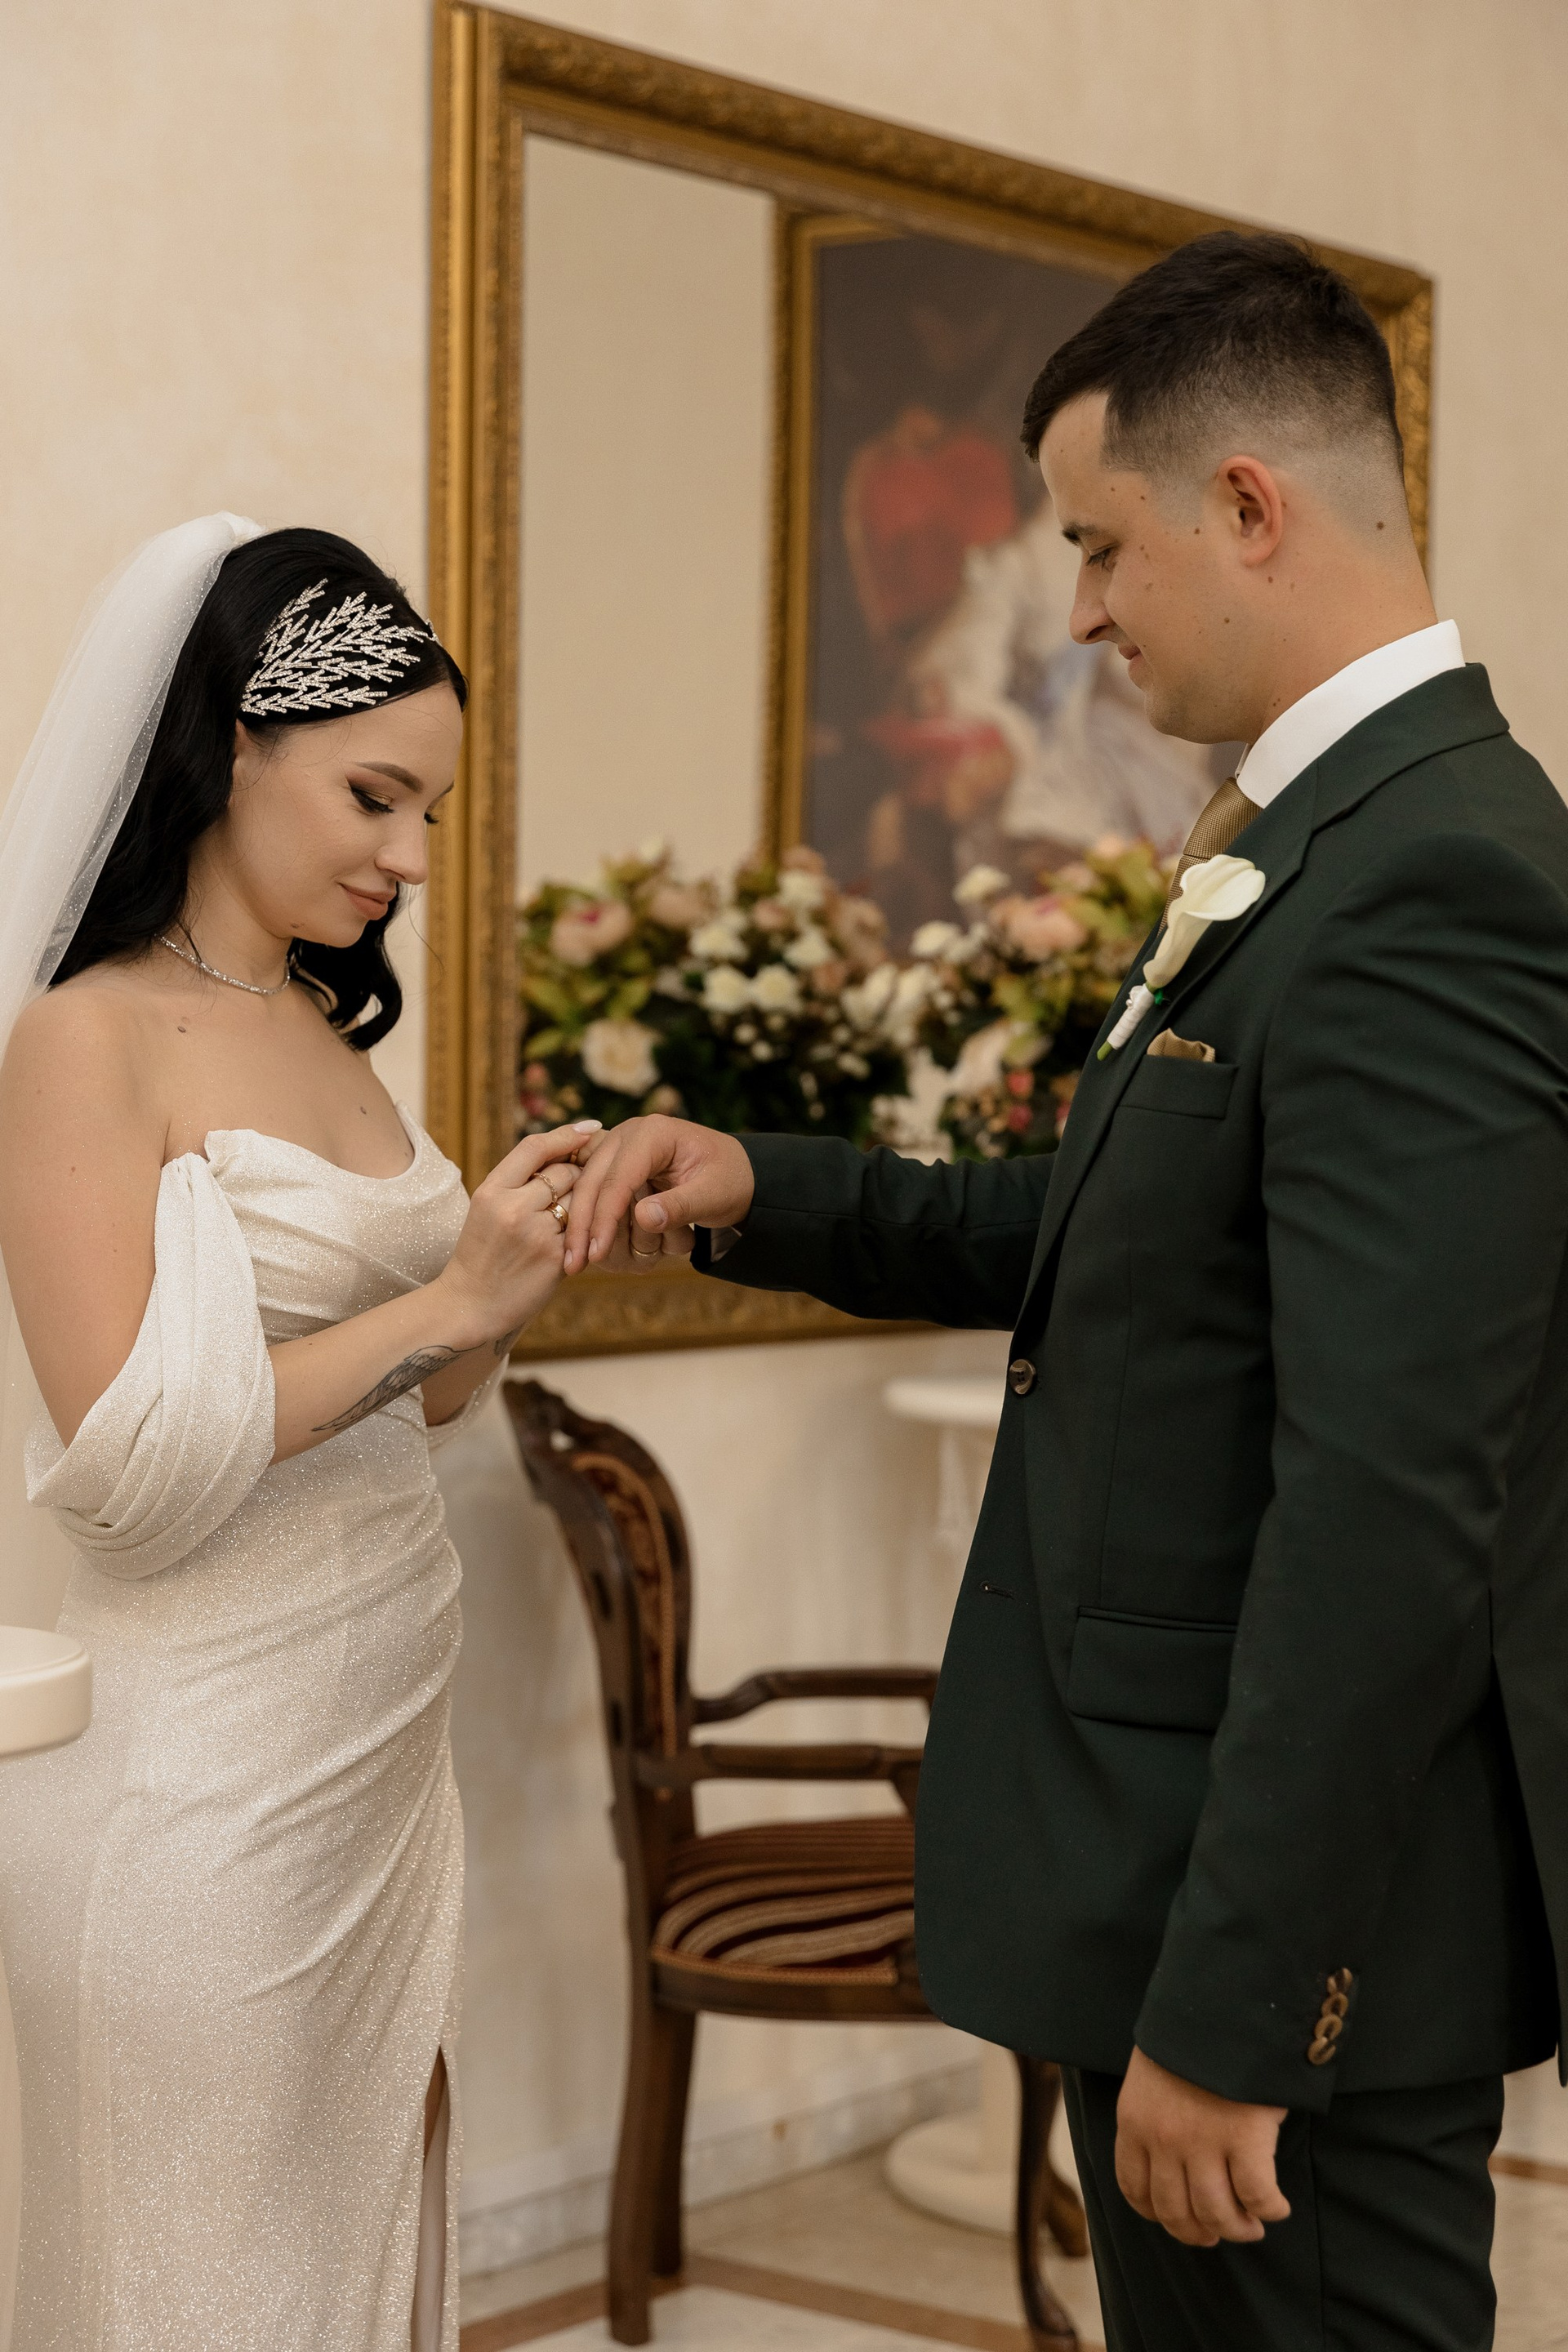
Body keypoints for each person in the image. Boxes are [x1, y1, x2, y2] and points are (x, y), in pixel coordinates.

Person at [563, 233, 1568, 2352]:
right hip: (1176, 1888)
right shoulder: (1311, 835)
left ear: (1250, 508)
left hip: (1291, 1946)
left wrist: (1236, 2004)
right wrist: (765, 1187)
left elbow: (1392, 1503)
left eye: (1100, 546)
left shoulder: (1433, 875)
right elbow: (1123, 1234)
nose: (1081, 610)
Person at [0, 519, 591, 2351]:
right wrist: (445, 1299)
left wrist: (506, 1281)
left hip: (376, 1773)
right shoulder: (83, 1040)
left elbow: (422, 1401)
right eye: (373, 797)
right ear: (231, 746)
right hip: (198, 1788)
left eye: (430, 813)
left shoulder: (332, 1036)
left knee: (342, 2273)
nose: (410, 858)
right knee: (207, 2292)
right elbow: (127, 1461)